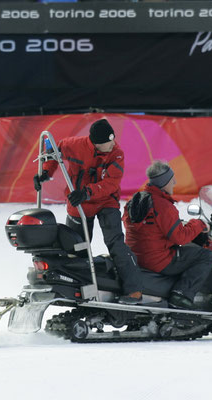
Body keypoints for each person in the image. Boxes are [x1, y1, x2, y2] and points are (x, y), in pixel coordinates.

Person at [34, 119, 144, 304]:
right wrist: (45, 172)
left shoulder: (116, 154)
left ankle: (133, 290)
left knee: (115, 243)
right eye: (106, 143)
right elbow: (53, 153)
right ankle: (79, 287)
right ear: (94, 143)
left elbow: (111, 183)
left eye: (112, 140)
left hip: (105, 201)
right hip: (79, 203)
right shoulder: (74, 145)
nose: (112, 145)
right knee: (76, 246)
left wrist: (87, 192)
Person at [123, 161, 212, 309]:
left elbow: (145, 229)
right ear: (164, 182)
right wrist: (199, 224)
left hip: (136, 256)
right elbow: (181, 238)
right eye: (172, 180)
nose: (175, 182)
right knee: (205, 255)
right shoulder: (163, 205)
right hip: (158, 260)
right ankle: (181, 295)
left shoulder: (135, 200)